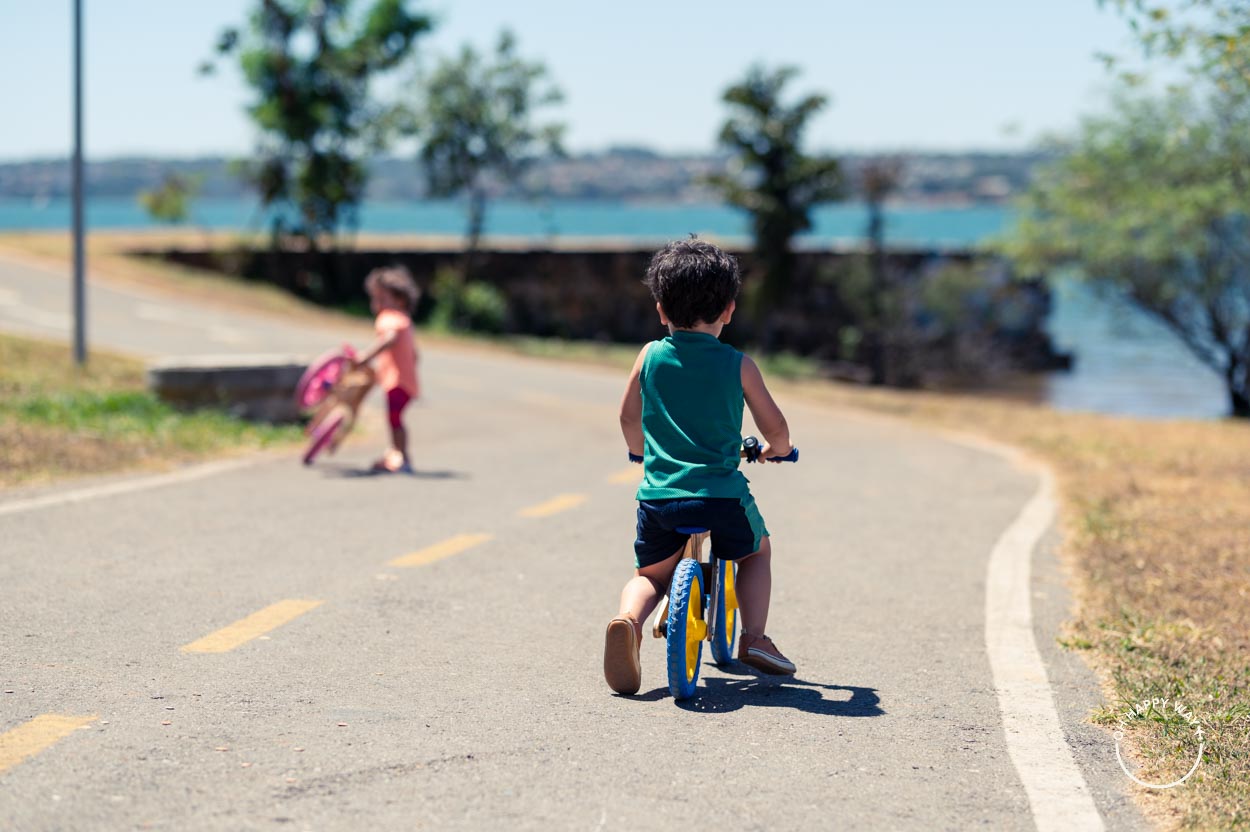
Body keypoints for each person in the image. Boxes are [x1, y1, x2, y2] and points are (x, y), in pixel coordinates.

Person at [605, 237, 796, 696]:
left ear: (660, 310)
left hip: (660, 495)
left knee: (650, 576)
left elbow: (628, 416)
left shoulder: (650, 355)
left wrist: (640, 451)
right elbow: (776, 428)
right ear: (729, 309)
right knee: (756, 551)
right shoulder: (738, 364)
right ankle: (753, 637)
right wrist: (777, 449)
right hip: (721, 495)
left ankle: (628, 623)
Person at [353, 265, 421, 473]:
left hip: (397, 382)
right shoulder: (405, 320)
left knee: (394, 419)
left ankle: (401, 457)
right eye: (375, 298)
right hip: (405, 382)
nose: (376, 304)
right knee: (394, 419)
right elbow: (416, 355)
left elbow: (389, 339)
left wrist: (366, 356)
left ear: (399, 300)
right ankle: (397, 454)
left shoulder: (390, 318)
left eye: (382, 298)